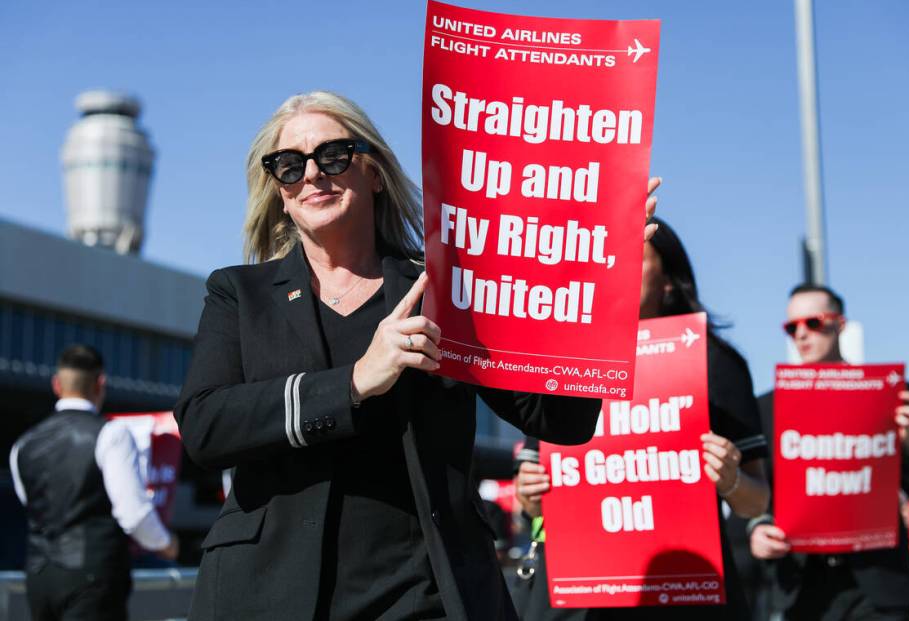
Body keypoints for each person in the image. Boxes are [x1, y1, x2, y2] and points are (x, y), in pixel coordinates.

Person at [173, 91, 655, 620]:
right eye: (289, 165)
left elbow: (561, 419)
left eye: (333, 155)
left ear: (375, 173)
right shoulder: (239, 295)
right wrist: (353, 382)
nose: (312, 175)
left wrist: (601, 295)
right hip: (265, 593)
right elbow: (204, 425)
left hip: (421, 597)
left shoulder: (445, 289)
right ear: (281, 192)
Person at [513, 216, 770, 620]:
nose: (619, 270)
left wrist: (731, 478)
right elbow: (529, 502)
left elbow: (757, 499)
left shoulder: (713, 360)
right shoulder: (568, 362)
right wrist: (530, 496)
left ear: (669, 279)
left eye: (635, 258)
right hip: (585, 599)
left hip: (683, 599)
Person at [749, 284, 909, 621]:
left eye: (813, 322)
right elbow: (755, 490)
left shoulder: (888, 393)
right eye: (792, 327)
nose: (802, 334)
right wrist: (757, 529)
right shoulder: (768, 407)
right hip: (803, 586)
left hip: (877, 582)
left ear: (841, 324)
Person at [9, 345, 179, 621]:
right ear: (101, 384)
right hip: (93, 577)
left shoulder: (24, 444)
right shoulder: (112, 435)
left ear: (56, 385)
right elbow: (133, 514)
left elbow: (33, 506)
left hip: (40, 577)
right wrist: (166, 543)